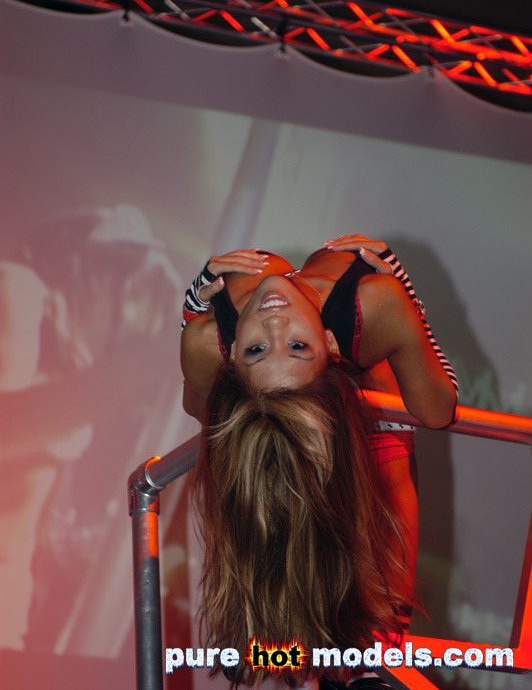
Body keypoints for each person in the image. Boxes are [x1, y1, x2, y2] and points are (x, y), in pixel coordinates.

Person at [181, 235, 458, 688]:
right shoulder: (373, 304)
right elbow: (438, 407)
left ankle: (340, 653)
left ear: (231, 357)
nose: (275, 324)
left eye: (257, 349)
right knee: (315, 486)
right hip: (353, 420)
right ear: (328, 343)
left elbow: (201, 407)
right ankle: (350, 656)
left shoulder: (206, 340)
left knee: (276, 469)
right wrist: (405, 294)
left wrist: (193, 308)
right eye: (296, 345)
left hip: (328, 416)